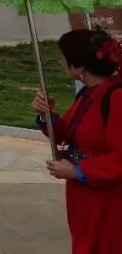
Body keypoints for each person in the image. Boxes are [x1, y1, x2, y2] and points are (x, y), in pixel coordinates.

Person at [32, 28, 122, 254]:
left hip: (107, 200)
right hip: (84, 197)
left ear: (80, 66)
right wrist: (45, 115)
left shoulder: (116, 97)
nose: (61, 61)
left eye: (64, 57)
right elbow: (70, 133)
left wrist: (77, 171)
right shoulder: (88, 94)